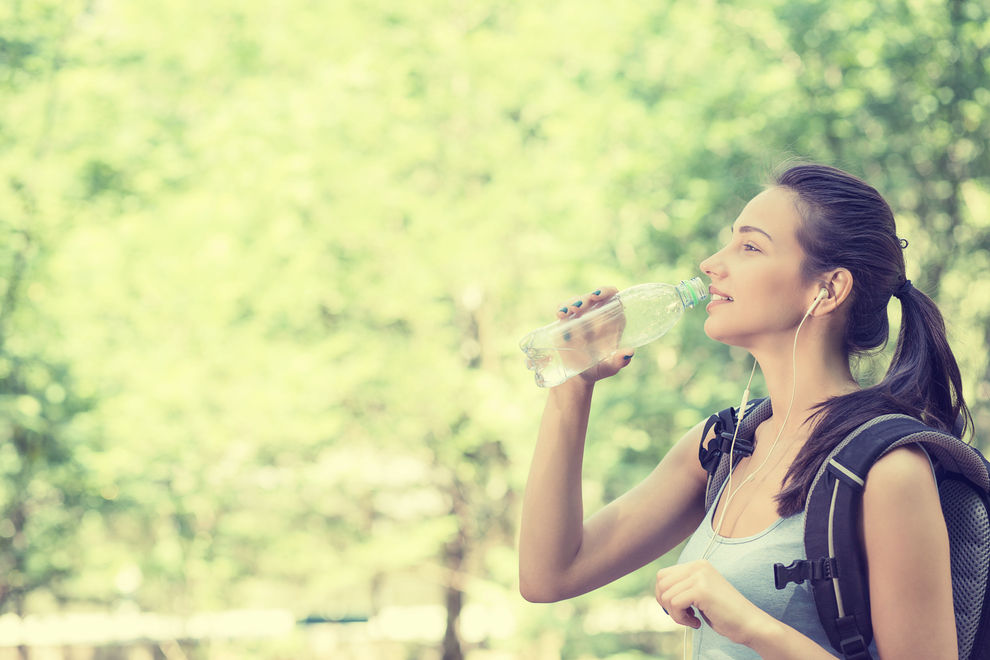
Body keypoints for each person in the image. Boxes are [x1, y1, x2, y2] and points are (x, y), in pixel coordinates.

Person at [518, 163, 969, 658]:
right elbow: (549, 575)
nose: (712, 263)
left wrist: (751, 625)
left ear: (829, 289)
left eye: (749, 246)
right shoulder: (723, 447)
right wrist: (572, 384)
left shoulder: (887, 470)